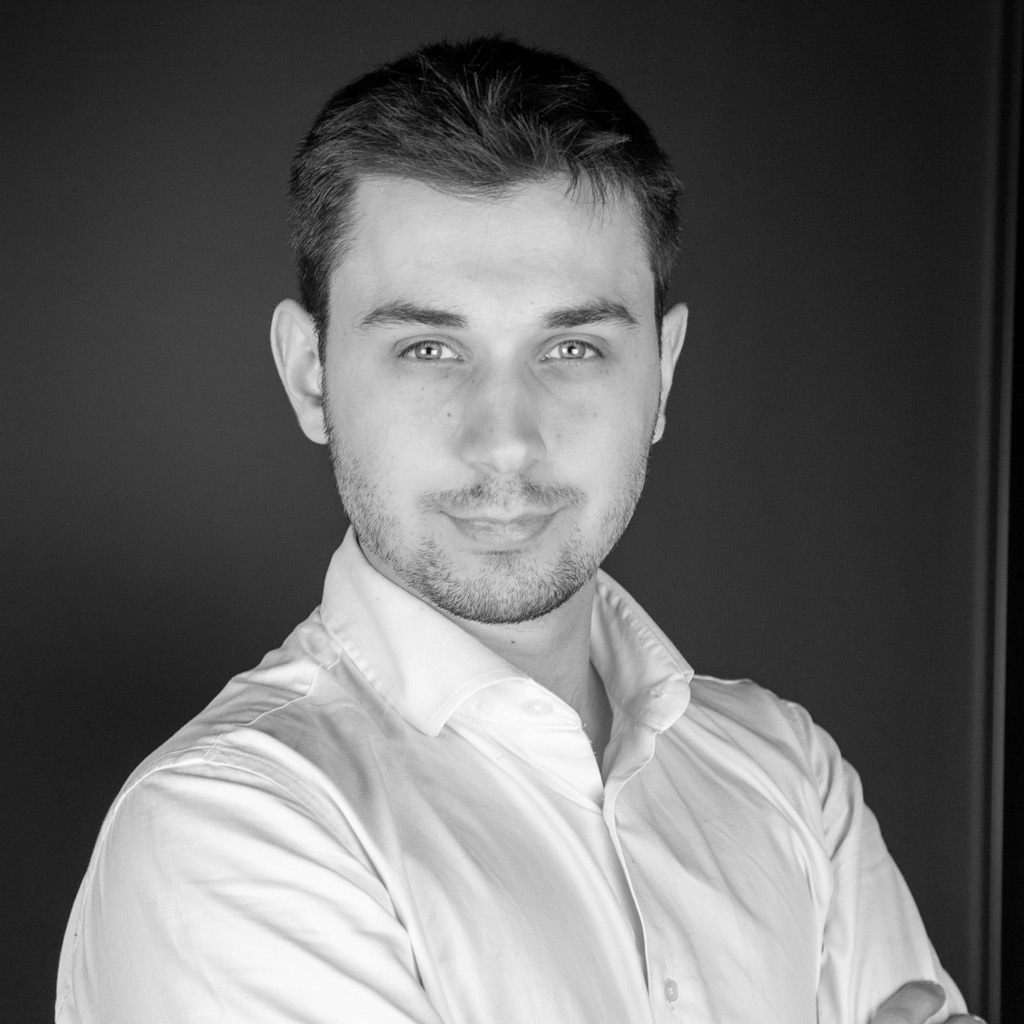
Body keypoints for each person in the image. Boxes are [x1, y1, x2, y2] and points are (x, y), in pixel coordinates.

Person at [56, 37, 975, 1024]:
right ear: (310, 374)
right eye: (428, 347)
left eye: (572, 346)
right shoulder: (231, 824)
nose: (505, 441)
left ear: (662, 374)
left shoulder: (787, 769)